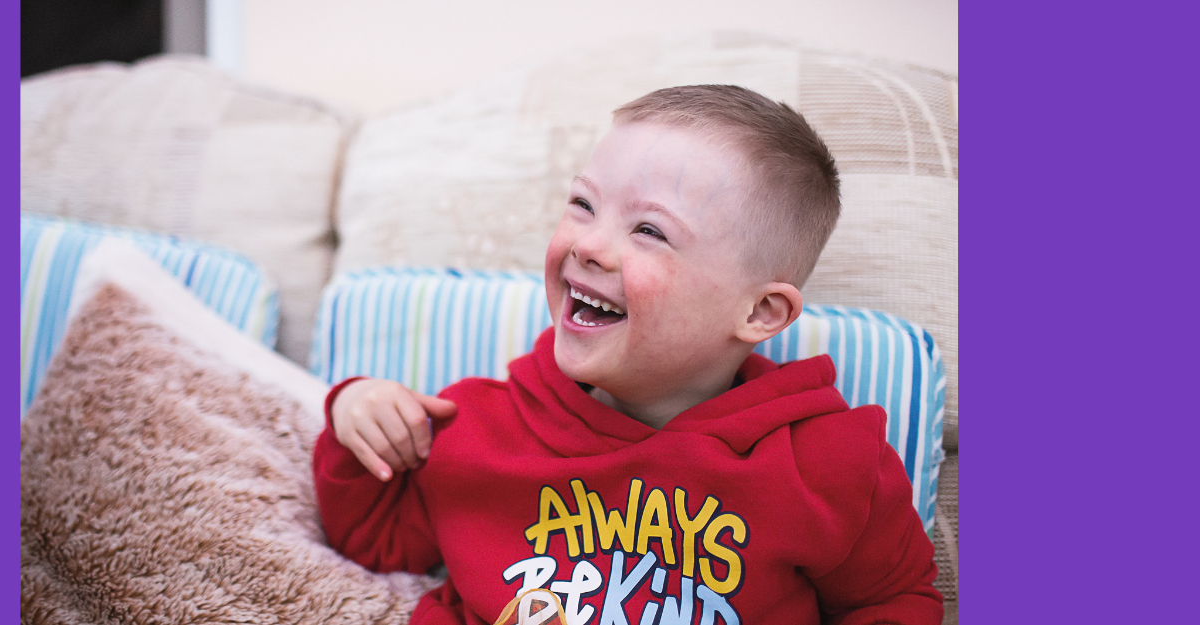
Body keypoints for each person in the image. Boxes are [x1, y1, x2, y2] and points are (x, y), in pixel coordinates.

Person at [313, 85, 942, 624]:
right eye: (583, 205)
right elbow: (374, 542)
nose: (589, 244)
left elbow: (893, 601)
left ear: (758, 313)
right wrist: (356, 415)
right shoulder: (479, 425)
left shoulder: (829, 465)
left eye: (649, 230)